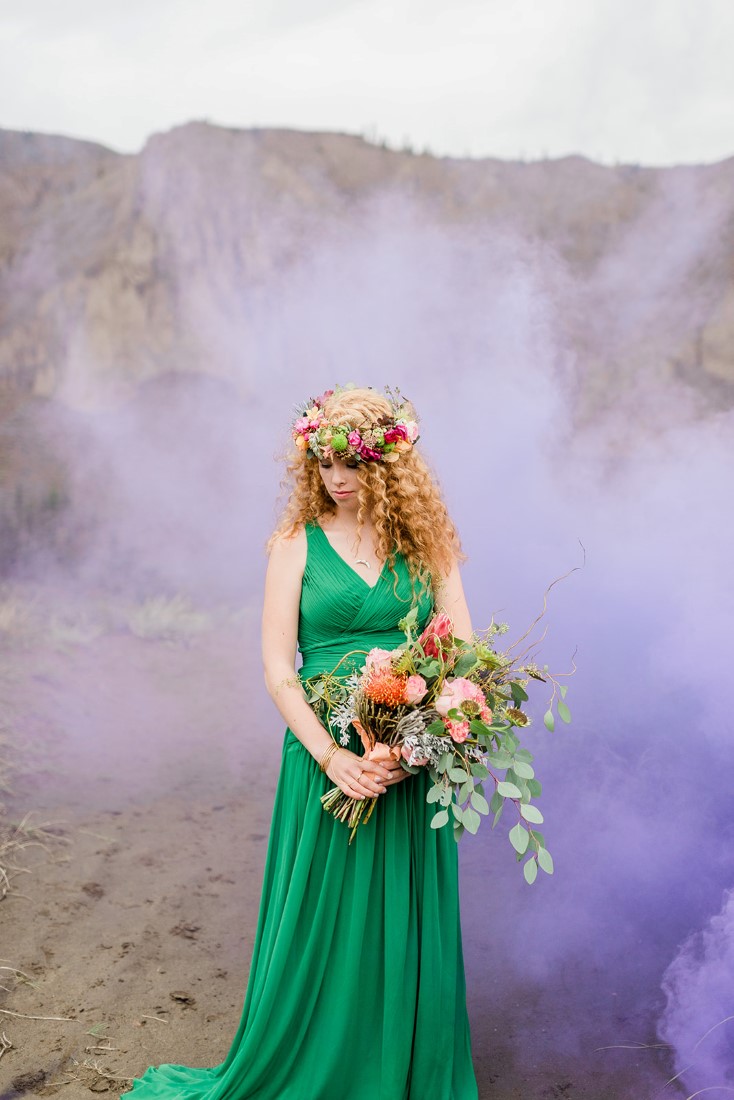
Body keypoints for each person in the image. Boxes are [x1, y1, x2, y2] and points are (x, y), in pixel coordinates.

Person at [124, 385, 479, 1099]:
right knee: (324, 920)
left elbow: (462, 654)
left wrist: (415, 743)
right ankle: (320, 1063)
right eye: (324, 463)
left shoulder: (428, 544)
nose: (336, 477)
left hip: (404, 758)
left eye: (351, 463)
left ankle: (397, 1066)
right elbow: (278, 668)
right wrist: (333, 755)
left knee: (398, 916)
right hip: (327, 756)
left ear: (388, 464)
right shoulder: (295, 545)